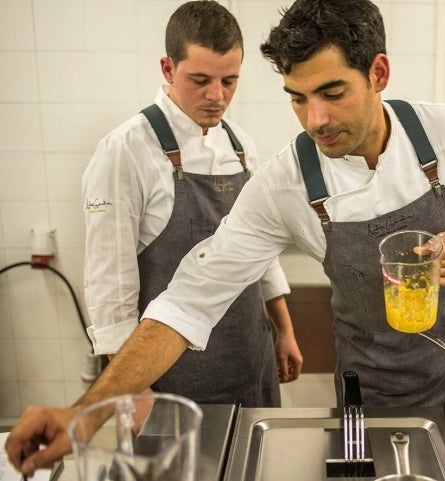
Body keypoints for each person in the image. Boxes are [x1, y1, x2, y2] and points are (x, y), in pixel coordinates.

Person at [5, 0, 445, 475]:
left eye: (332, 94)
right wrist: (85, 415)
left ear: (378, 73)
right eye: (298, 98)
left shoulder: (444, 131)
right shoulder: (286, 184)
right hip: (378, 391)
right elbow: (187, 301)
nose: (315, 119)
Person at [81, 0, 302, 406]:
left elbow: (261, 250)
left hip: (251, 357)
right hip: (173, 378)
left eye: (229, 81)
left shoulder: (239, 144)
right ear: (168, 68)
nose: (217, 96)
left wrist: (284, 330)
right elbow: (110, 285)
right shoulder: (125, 151)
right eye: (200, 80)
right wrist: (135, 390)